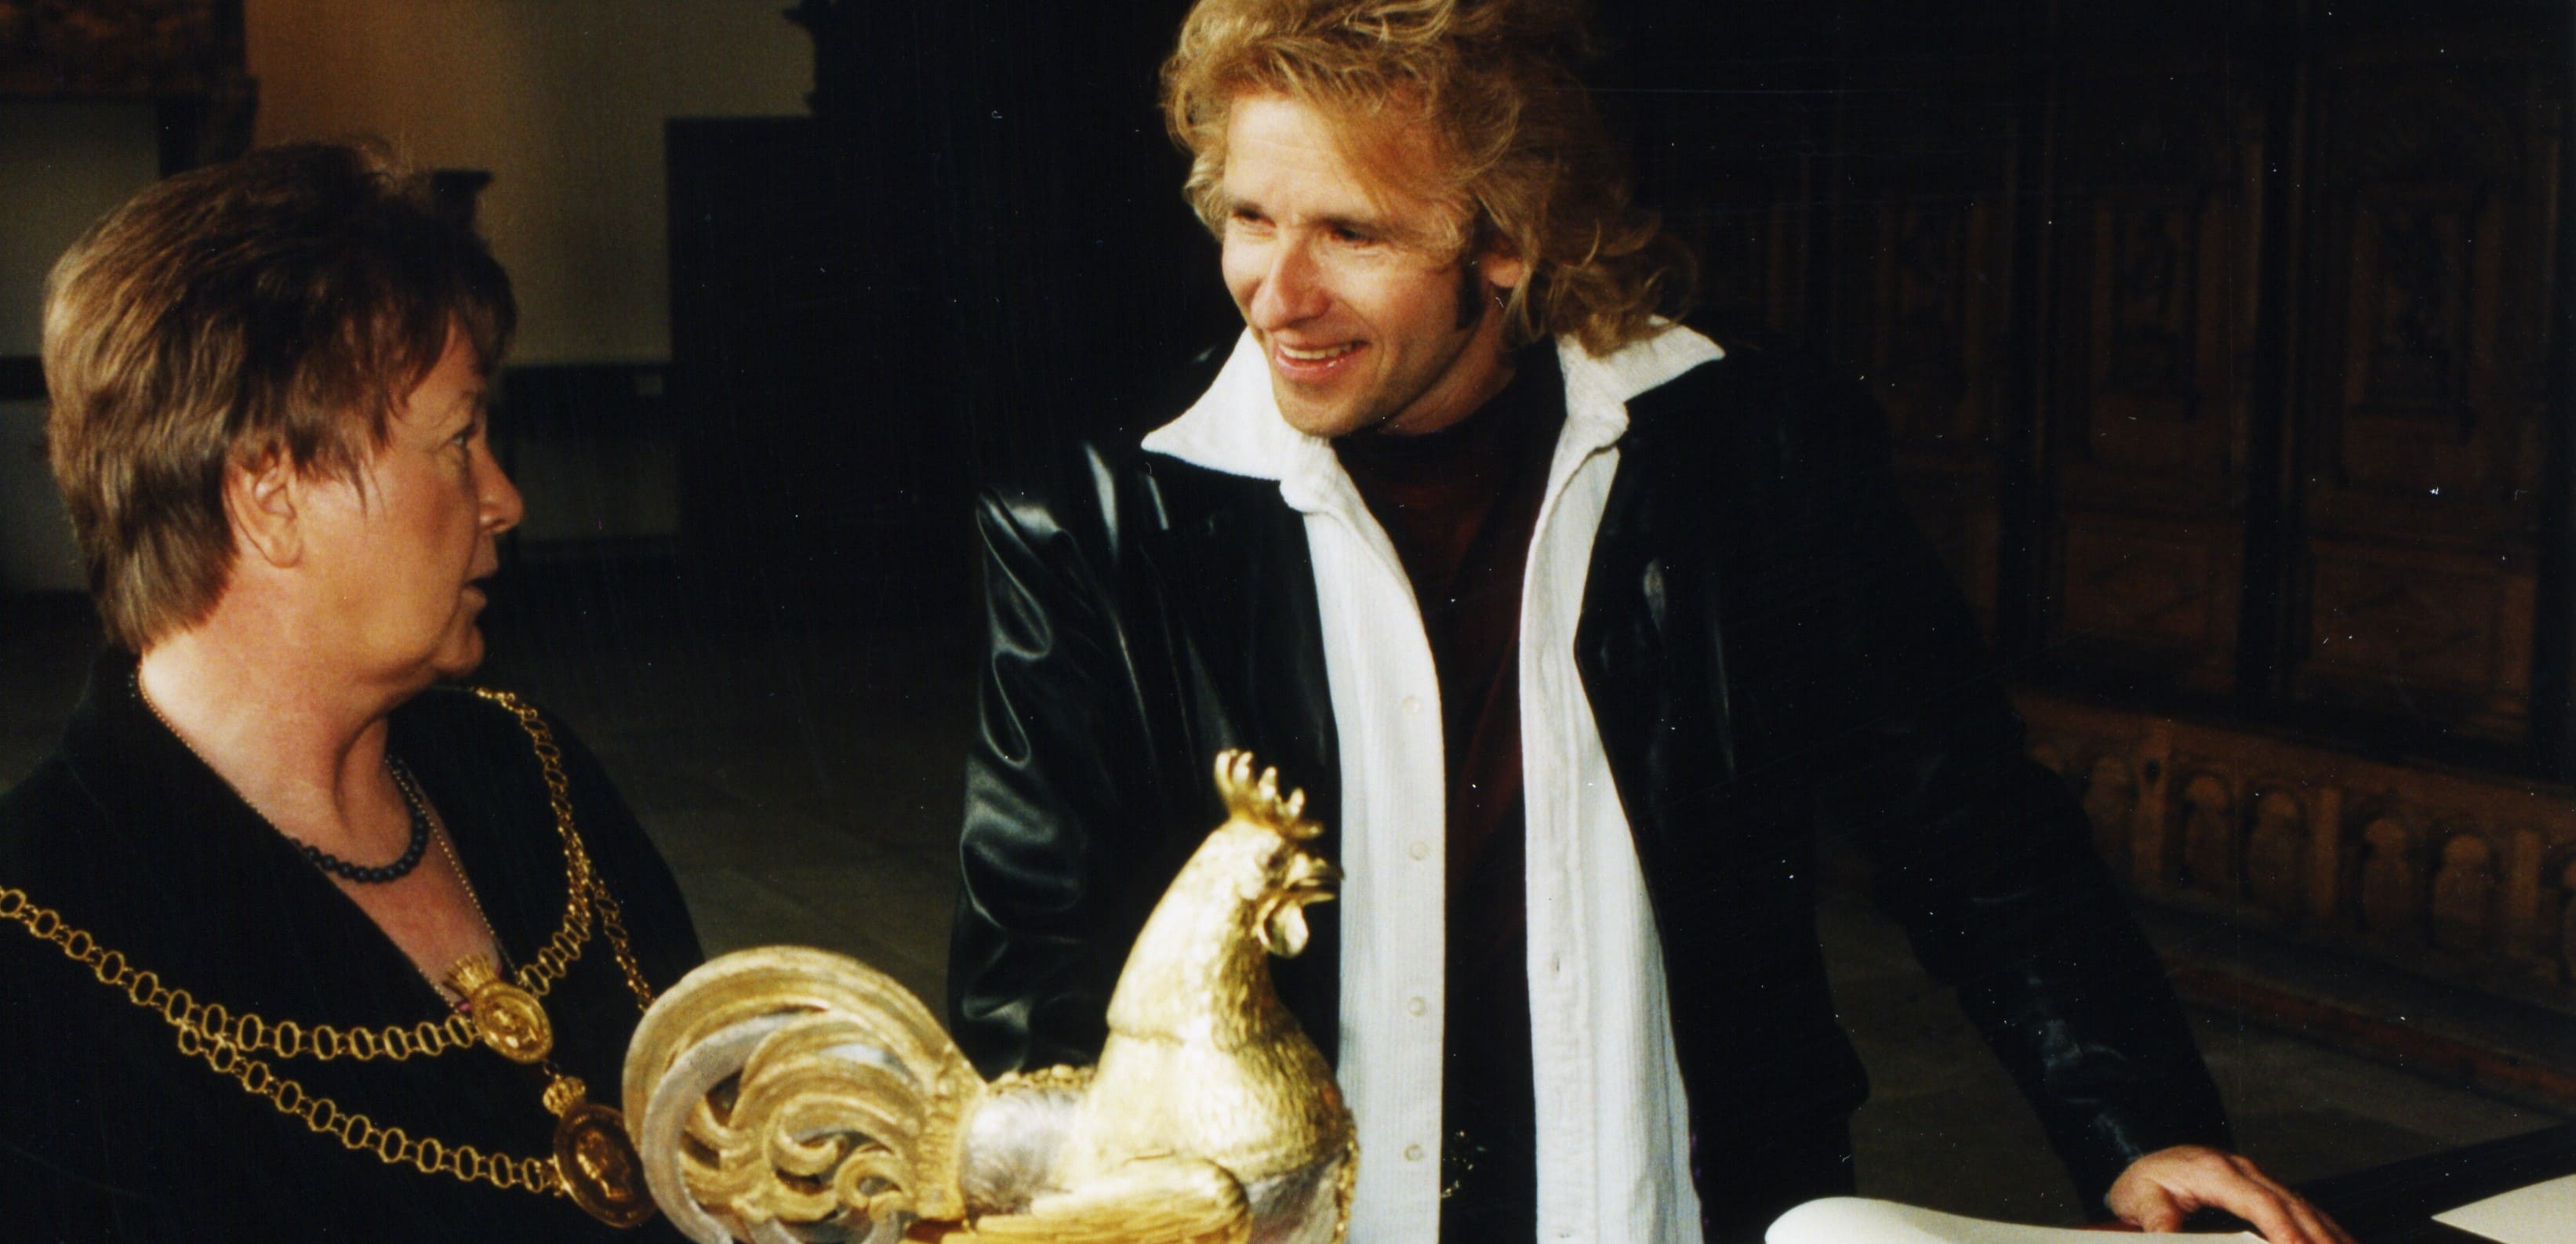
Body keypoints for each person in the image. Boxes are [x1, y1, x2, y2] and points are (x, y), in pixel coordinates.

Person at [948, 2, 2354, 1242]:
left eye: (1351, 231)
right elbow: (1035, 973)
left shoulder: (1747, 451)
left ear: (1502, 242)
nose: (1278, 292)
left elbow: (1969, 825)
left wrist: (2137, 1126)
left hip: (1673, 1208)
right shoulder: (1095, 521)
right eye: (1251, 218)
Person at [0, 142, 701, 1240]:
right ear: (270, 493)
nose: (505, 499)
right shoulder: (40, 929)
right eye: (460, 441)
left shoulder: (529, 768)